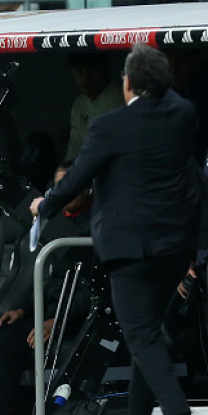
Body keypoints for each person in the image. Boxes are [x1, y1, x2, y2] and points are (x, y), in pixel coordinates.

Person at [30, 43, 200, 415]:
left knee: (141, 337)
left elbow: (78, 175)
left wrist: (46, 204)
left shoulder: (110, 125)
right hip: (173, 246)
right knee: (149, 335)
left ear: (127, 84)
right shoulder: (183, 114)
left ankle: (178, 410)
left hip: (130, 249)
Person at [0, 161, 92, 415]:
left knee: (8, 341)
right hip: (51, 314)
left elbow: (90, 291)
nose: (62, 192)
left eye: (68, 185)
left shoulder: (93, 226)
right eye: (58, 186)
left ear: (86, 189)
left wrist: (58, 321)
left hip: (75, 319)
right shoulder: (58, 224)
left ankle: (1, 410)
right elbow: (51, 284)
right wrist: (23, 310)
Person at [65, 53, 124, 160]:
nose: (86, 78)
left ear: (104, 68)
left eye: (92, 69)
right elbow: (74, 153)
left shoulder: (122, 98)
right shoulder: (79, 105)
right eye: (79, 71)